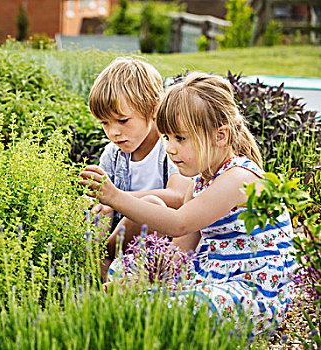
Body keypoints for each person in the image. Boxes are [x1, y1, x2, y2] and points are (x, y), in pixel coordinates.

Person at [80, 72, 297, 334]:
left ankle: (139, 316)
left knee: (190, 306)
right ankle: (135, 312)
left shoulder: (239, 177)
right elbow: (180, 254)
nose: (170, 149)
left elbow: (178, 224)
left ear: (220, 136)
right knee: (125, 273)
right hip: (211, 274)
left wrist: (115, 197)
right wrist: (145, 274)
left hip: (251, 288)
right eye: (166, 138)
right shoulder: (199, 183)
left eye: (180, 139)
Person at [87, 57, 191, 279]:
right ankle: (95, 263)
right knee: (94, 213)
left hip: (167, 245)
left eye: (123, 121)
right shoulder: (112, 154)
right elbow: (104, 206)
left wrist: (117, 198)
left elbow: (180, 196)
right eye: (105, 123)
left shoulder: (171, 147)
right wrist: (102, 206)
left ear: (153, 109)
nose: (113, 132)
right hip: (122, 242)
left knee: (151, 205)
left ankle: (102, 264)